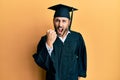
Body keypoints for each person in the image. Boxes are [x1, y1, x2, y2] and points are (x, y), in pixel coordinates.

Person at [33, 4, 87, 80]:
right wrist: (49, 44)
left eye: (64, 21)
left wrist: (78, 77)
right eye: (57, 20)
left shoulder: (77, 38)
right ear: (53, 21)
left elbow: (81, 58)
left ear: (69, 22)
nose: (60, 24)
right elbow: (42, 62)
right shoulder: (45, 39)